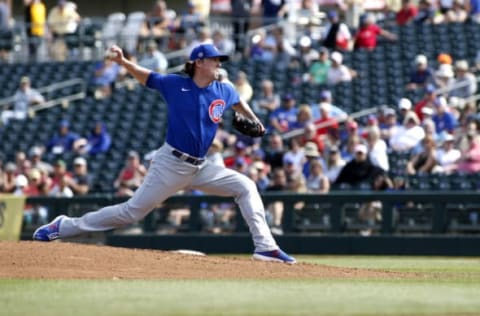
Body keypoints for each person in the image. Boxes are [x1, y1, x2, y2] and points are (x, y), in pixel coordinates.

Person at [33, 43, 296, 264]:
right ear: (198, 62)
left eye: (219, 59)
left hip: (202, 167)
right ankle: (64, 226)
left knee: (246, 186)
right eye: (214, 59)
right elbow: (146, 76)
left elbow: (238, 99)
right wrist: (124, 62)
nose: (219, 63)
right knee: (130, 213)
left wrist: (254, 119)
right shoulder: (174, 84)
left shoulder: (223, 88)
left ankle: (265, 247)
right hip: (171, 163)